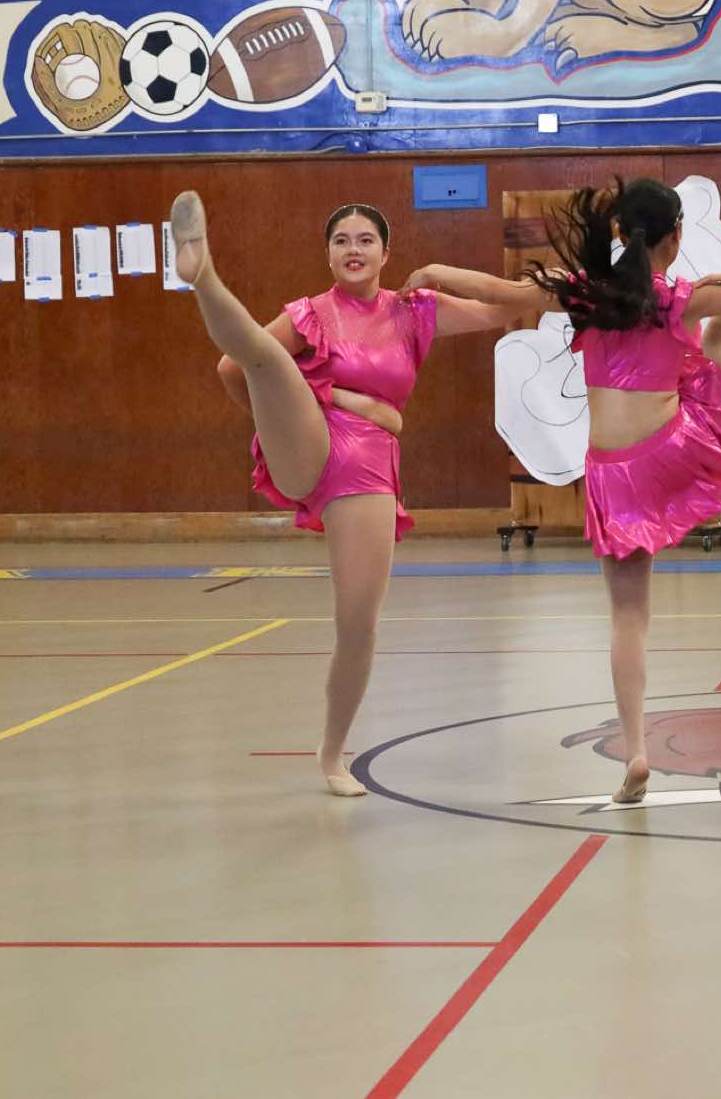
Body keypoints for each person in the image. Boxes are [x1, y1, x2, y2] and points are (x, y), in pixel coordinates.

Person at [407, 137, 721, 802]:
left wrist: (433, 269)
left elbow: (503, 291)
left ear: (620, 234)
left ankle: (638, 752)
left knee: (629, 617)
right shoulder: (673, 296)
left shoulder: (585, 296)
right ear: (675, 236)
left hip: (611, 474)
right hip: (673, 448)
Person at [168, 193, 531, 796]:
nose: (353, 249)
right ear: (328, 255)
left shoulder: (415, 311)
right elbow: (231, 369)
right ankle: (202, 276)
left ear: (386, 254)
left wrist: (441, 272)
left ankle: (332, 755)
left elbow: (508, 308)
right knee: (265, 357)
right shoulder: (309, 313)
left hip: (367, 468)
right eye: (341, 241)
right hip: (307, 439)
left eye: (365, 240)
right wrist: (314, 408)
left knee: (357, 624)